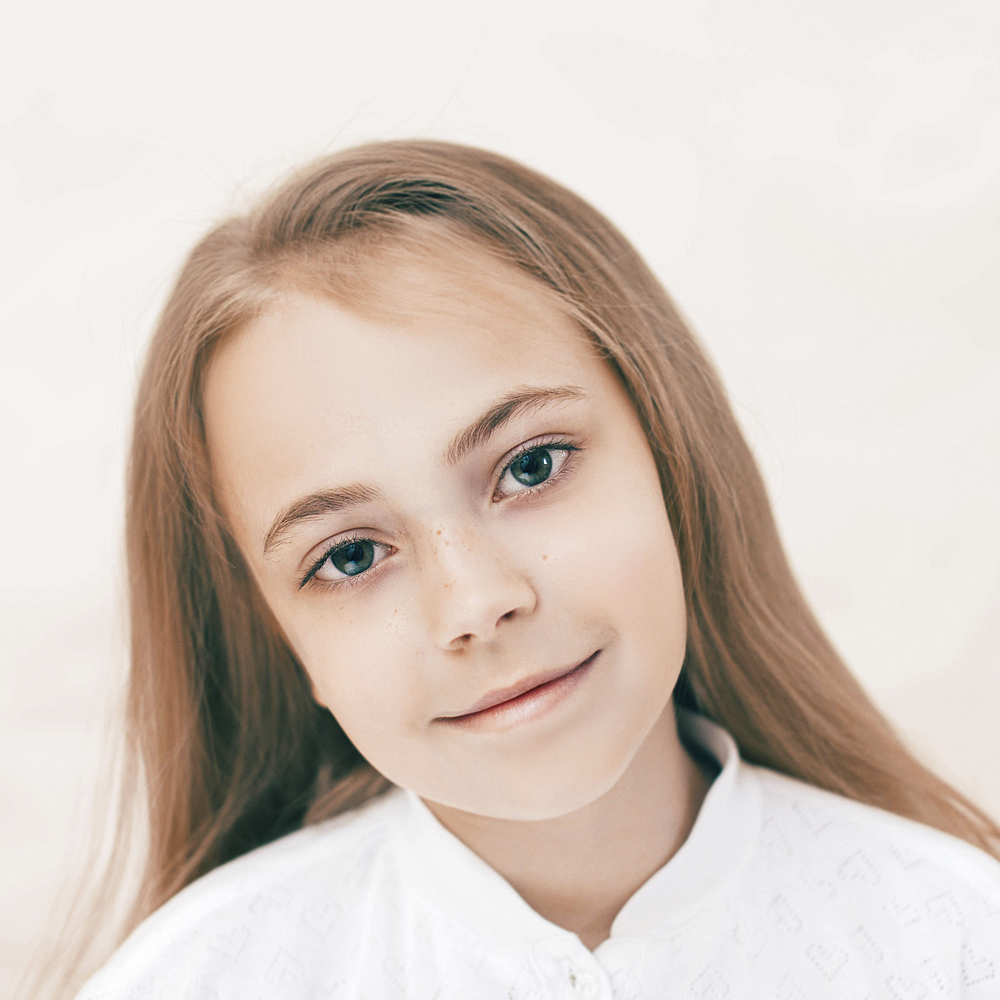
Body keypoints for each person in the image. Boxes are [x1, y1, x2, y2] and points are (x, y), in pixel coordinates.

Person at [51, 140, 1000, 999]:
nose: (478, 601)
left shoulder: (957, 944)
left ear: (674, 461)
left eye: (531, 466)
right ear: (280, 639)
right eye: (349, 556)